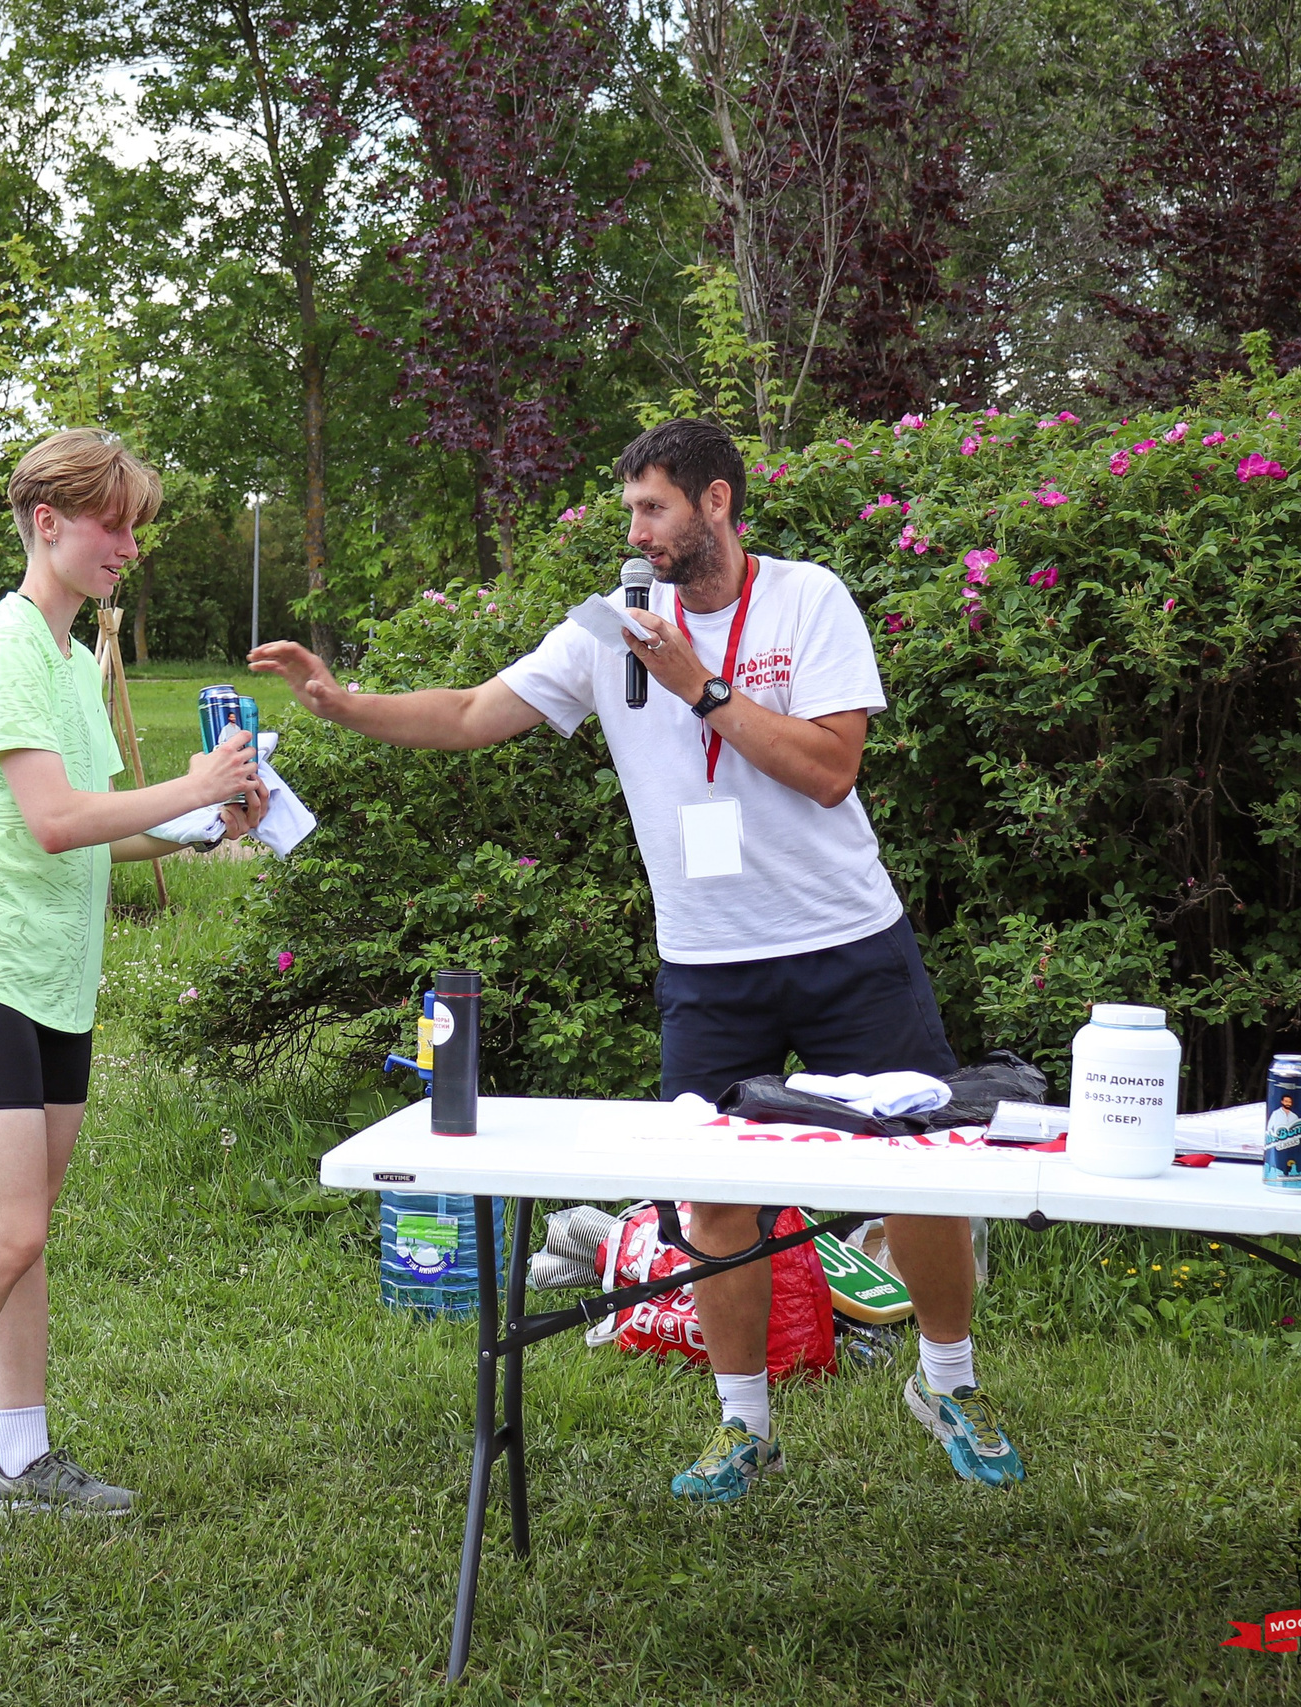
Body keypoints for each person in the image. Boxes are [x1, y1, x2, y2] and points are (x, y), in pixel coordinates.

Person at [249, 417, 1025, 1502]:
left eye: (653, 508)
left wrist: (699, 685)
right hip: (708, 965)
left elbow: (830, 769)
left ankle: (948, 1383)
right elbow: (474, 713)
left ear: (715, 503)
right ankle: (743, 1425)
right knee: (712, 1197)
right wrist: (344, 705)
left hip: (850, 942)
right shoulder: (604, 629)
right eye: (628, 513)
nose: (637, 531)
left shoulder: (808, 601)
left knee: (919, 1181)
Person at [0, 429, 268, 1568]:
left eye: (134, 525)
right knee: (2, 1233)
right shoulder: (4, 647)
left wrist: (204, 823)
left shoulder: (66, 660)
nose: (129, 548)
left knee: (25, 1239)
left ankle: (23, 1460)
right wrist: (188, 781)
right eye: (114, 524)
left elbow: (94, 825)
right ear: (47, 521)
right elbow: (50, 820)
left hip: (53, 978)